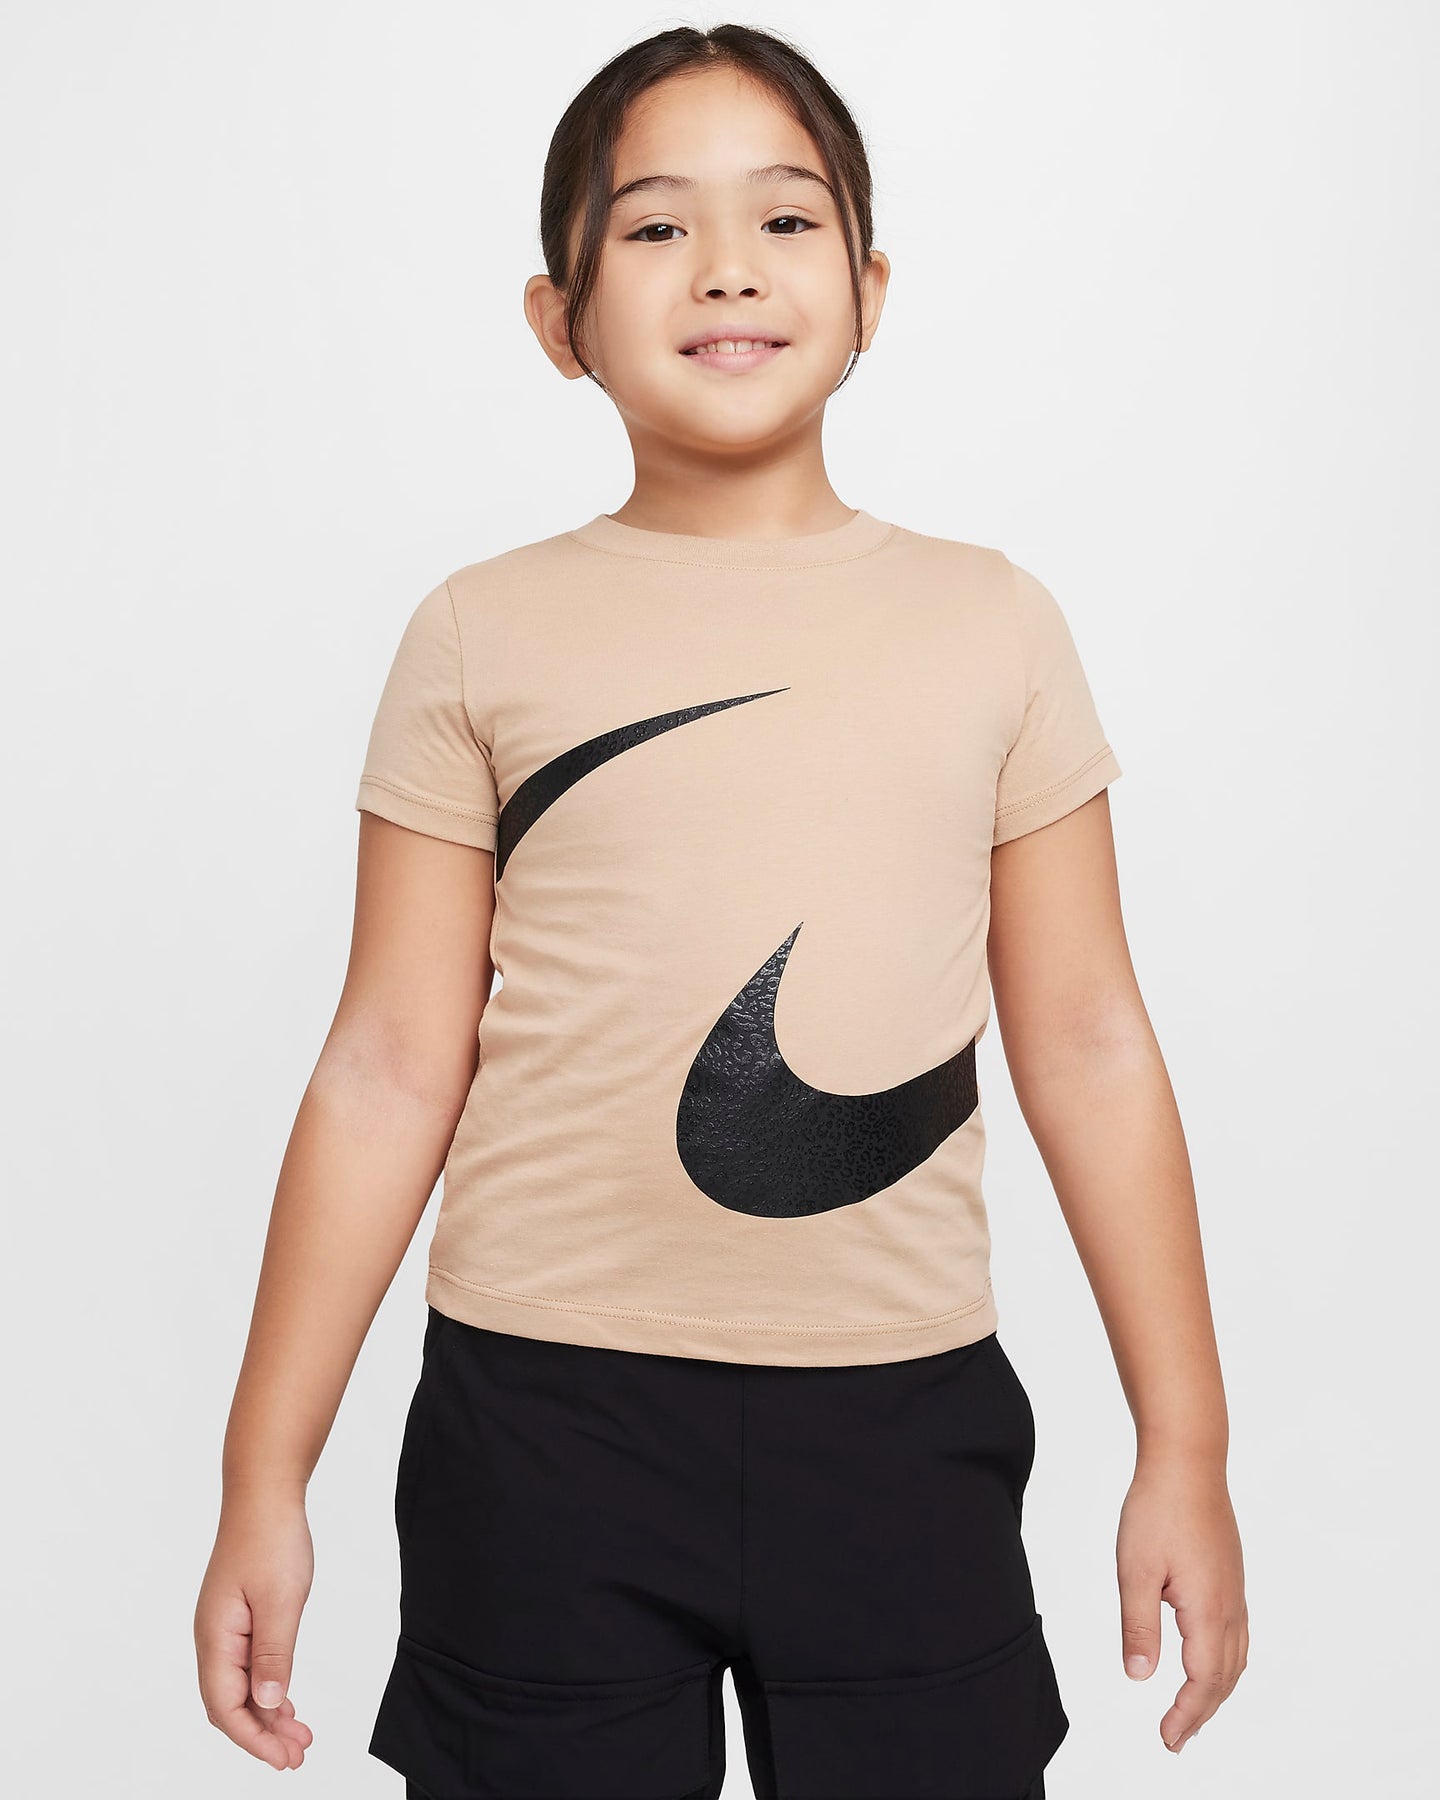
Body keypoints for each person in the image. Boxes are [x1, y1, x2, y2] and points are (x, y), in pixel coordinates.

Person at [193, 21, 1248, 1798]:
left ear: (870, 288)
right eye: (658, 226)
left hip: (899, 1417)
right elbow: (386, 1064)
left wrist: (1186, 1446)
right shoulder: (479, 631)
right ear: (560, 320)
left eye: (787, 218)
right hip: (543, 1417)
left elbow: (1087, 1040)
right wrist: (261, 1477)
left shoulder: (992, 622)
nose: (730, 267)